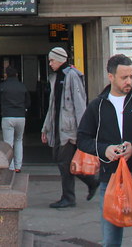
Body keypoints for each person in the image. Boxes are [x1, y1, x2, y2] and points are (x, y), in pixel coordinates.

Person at [77, 54, 132, 247]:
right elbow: (82, 139)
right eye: (124, 77)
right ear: (111, 76)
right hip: (111, 180)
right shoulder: (97, 106)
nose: (129, 81)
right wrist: (104, 150)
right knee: (111, 240)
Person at [41, 47, 98, 208]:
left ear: (60, 59)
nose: (50, 63)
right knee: (65, 161)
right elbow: (53, 106)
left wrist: (83, 132)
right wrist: (45, 128)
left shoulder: (72, 76)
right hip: (60, 128)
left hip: (69, 130)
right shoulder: (56, 77)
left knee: (64, 163)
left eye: (52, 60)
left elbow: (80, 104)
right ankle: (91, 182)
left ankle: (69, 197)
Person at [0, 66, 30, 173]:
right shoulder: (22, 86)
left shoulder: (2, 86)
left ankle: (11, 166)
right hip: (20, 116)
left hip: (7, 116)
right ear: (17, 75)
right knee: (19, 140)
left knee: (8, 143)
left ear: (6, 75)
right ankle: (18, 166)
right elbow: (28, 101)